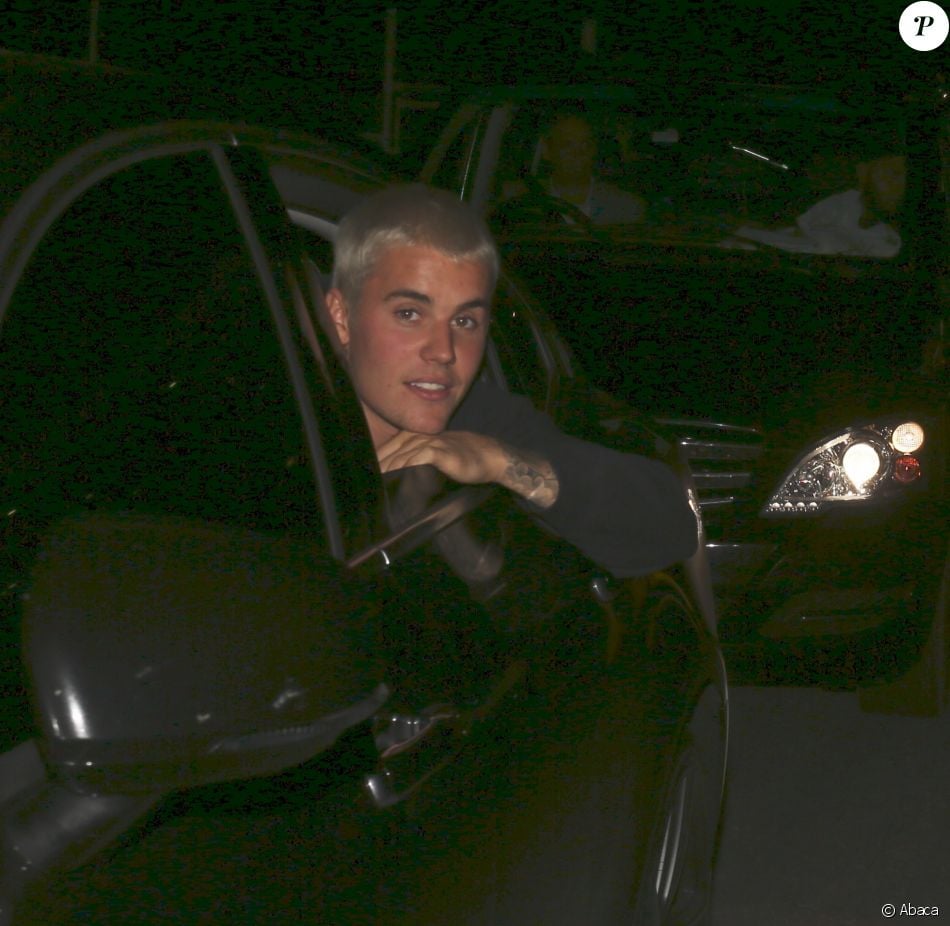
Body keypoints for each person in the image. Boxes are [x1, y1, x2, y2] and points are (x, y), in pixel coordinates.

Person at [324, 184, 697, 578]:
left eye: (465, 321)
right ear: (341, 317)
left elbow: (671, 525)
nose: (444, 350)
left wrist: (502, 462)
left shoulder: (477, 420)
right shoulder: (289, 425)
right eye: (410, 314)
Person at [732, 149, 906, 258]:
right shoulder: (843, 202)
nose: (901, 184)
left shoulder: (894, 246)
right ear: (863, 170)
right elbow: (795, 230)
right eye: (895, 173)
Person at [502, 112, 648, 226]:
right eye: (567, 145)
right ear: (547, 151)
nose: (577, 153)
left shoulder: (626, 207)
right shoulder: (520, 201)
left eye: (585, 145)